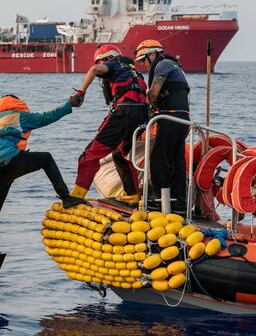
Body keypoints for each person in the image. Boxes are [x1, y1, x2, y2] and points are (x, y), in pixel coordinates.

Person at [0, 94, 85, 252]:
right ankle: (66, 198)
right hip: (7, 158)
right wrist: (69, 105)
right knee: (46, 159)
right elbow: (46, 118)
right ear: (16, 104)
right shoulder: (16, 115)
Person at [69, 45, 148, 205]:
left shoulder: (112, 63)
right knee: (120, 154)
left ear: (106, 58)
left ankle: (76, 196)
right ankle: (132, 194)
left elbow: (94, 70)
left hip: (124, 113)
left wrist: (80, 93)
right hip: (141, 117)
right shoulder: (136, 73)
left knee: (89, 155)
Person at [134, 39, 191, 214]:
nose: (143, 64)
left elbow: (153, 94)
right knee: (177, 161)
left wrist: (143, 104)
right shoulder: (176, 68)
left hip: (171, 118)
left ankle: (160, 199)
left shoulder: (162, 65)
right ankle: (179, 203)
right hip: (183, 120)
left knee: (158, 159)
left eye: (144, 60)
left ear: (153, 55)